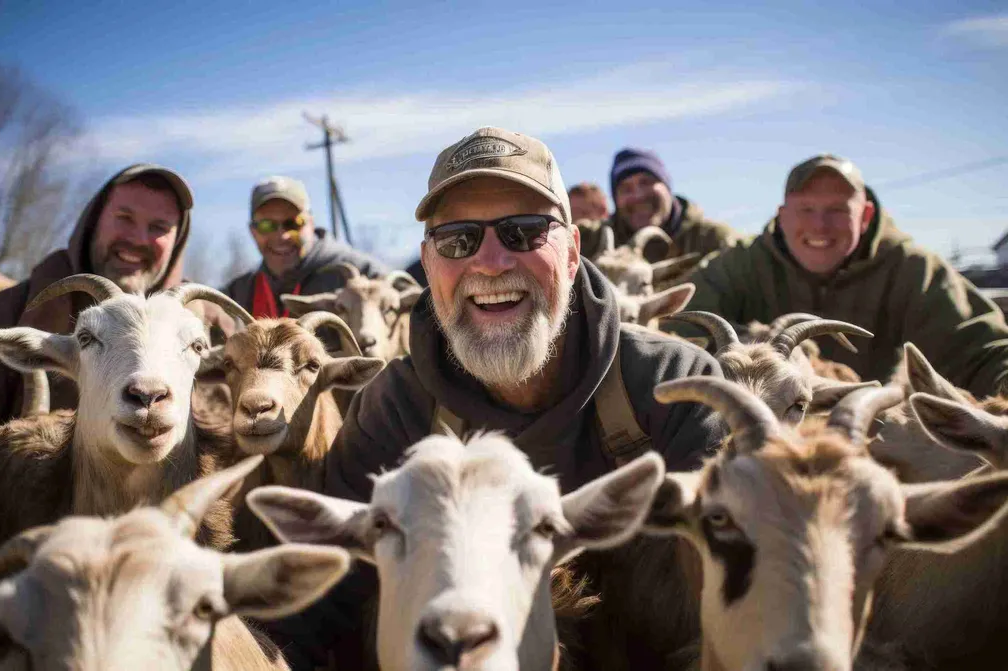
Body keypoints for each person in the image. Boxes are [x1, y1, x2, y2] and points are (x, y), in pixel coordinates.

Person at [266, 126, 725, 668]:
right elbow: (322, 615)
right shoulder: (395, 409)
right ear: (429, 263)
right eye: (458, 240)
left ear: (573, 250)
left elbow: (739, 605)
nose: (490, 263)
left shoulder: (674, 387)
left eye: (524, 232)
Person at [682, 153, 1008, 396]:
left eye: (838, 210)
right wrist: (755, 351)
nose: (820, 226)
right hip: (759, 425)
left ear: (865, 216)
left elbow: (980, 351)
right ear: (782, 216)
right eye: (806, 210)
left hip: (868, 430)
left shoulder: (912, 269)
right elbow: (677, 333)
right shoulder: (740, 264)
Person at [0, 164, 223, 427]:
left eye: (159, 227)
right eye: (124, 217)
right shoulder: (5, 312)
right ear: (94, 221)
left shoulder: (214, 323)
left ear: (177, 242)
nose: (138, 239)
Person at [223, 175, 387, 317]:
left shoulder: (364, 273)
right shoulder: (239, 294)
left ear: (311, 223)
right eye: (267, 225)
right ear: (253, 231)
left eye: (293, 223)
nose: (282, 235)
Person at [579, 147, 739, 260]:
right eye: (626, 189)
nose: (638, 196)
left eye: (646, 182)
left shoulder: (714, 240)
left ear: (667, 187)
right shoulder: (593, 241)